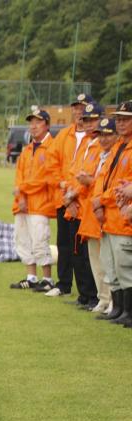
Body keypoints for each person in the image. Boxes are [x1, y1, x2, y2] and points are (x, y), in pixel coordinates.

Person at [43, 93, 94, 296]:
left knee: (81, 248)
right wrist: (64, 186)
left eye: (83, 107)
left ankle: (87, 291)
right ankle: (63, 284)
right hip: (63, 197)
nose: (79, 111)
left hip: (83, 199)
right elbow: (51, 164)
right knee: (64, 243)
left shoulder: (94, 137)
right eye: (76, 107)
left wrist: (74, 193)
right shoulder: (64, 135)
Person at [91, 100, 132, 327]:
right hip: (108, 218)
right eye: (120, 119)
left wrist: (101, 199)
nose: (122, 123)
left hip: (123, 219)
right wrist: (97, 202)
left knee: (125, 266)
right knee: (111, 265)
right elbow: (103, 179)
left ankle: (128, 310)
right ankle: (118, 307)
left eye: (126, 119)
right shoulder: (118, 147)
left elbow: (121, 187)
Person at [59, 103, 103, 309]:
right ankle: (84, 295)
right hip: (75, 206)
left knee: (88, 255)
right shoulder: (85, 144)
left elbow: (91, 178)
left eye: (92, 120)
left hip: (87, 207)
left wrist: (73, 195)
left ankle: (93, 296)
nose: (87, 124)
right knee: (76, 253)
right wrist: (69, 197)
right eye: (85, 120)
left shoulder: (100, 145)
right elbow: (73, 173)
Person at [9, 109, 56, 290]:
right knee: (23, 239)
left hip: (40, 203)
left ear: (47, 125)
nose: (34, 126)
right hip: (22, 203)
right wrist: (21, 196)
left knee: (40, 240)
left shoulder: (52, 147)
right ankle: (31, 276)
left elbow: (45, 177)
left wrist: (23, 190)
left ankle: (47, 279)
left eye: (38, 122)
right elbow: (19, 175)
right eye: (31, 122)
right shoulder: (28, 149)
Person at [77, 118, 117, 314]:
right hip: (92, 214)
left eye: (109, 134)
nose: (104, 138)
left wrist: (89, 182)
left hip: (107, 215)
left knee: (109, 261)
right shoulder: (99, 156)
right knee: (96, 259)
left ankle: (111, 300)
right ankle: (103, 298)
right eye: (101, 134)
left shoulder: (114, 157)